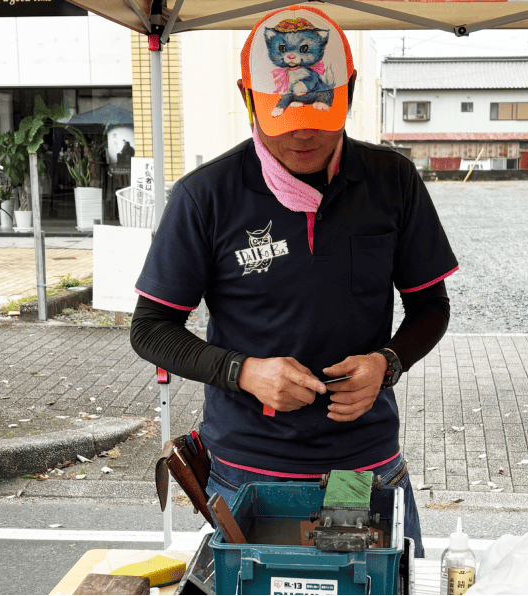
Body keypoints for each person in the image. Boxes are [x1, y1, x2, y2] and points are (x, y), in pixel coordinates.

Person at [130, 5, 457, 558]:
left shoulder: (391, 181)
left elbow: (432, 307)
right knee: (269, 586)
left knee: (364, 585)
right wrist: (242, 370)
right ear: (247, 98)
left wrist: (387, 363)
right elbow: (151, 329)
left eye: (322, 122)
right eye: (287, 124)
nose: (304, 138)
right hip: (248, 473)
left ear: (348, 91)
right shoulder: (205, 196)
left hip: (358, 469)